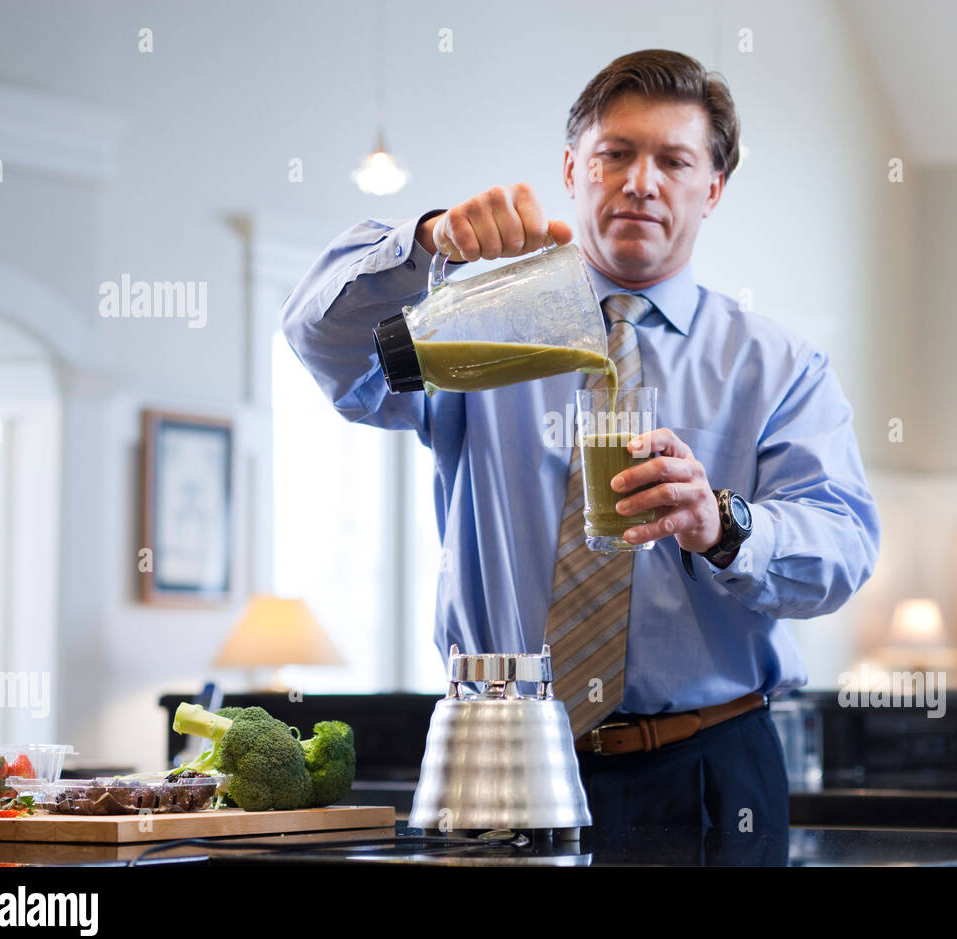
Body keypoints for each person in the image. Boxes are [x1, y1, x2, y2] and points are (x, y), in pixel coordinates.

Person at [281, 49, 881, 850]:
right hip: (499, 758)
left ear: (714, 189)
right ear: (572, 169)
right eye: (615, 154)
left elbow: (842, 549)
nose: (641, 182)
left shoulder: (779, 367)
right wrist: (428, 243)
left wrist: (723, 524)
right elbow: (321, 341)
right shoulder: (472, 325)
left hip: (709, 772)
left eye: (674, 160)